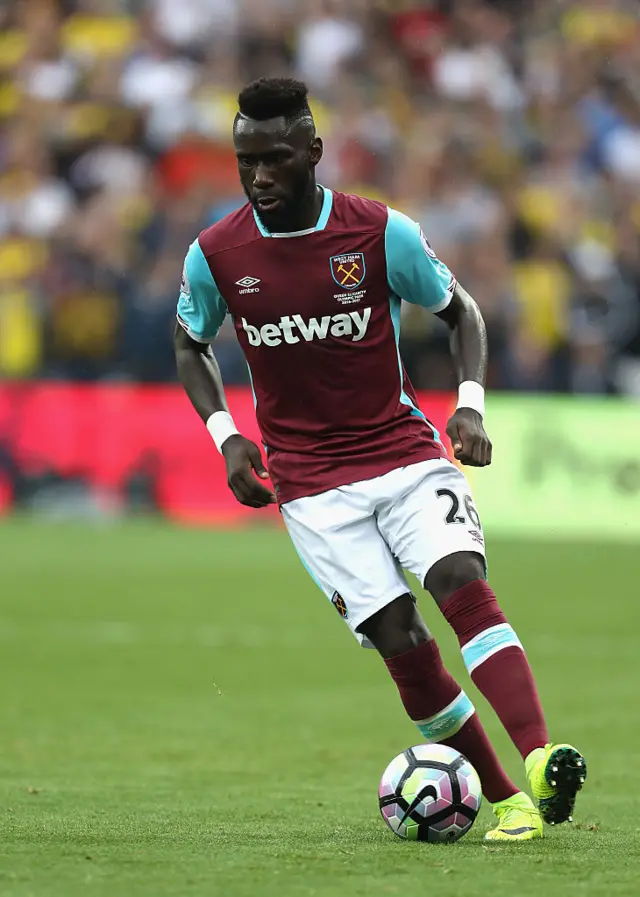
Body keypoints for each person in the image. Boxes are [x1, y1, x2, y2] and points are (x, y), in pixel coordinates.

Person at [174, 77, 586, 841]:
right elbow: (190, 340)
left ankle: (538, 757)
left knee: (460, 579)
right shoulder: (218, 253)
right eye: (245, 160)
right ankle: (507, 801)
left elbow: (461, 310)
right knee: (401, 639)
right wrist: (226, 436)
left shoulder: (379, 233)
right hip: (310, 487)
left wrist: (469, 401)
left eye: (275, 158)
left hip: (401, 453)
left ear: (314, 153)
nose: (259, 175)